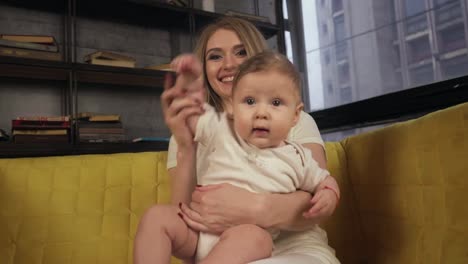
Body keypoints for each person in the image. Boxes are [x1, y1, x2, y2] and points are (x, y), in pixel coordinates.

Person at [135, 17, 340, 264]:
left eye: (240, 52)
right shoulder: (215, 125)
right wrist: (186, 139)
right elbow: (183, 212)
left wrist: (251, 208)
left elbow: (317, 199)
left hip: (283, 246)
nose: (229, 64)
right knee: (156, 217)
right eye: (215, 56)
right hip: (205, 240)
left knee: (252, 236)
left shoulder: (292, 127)